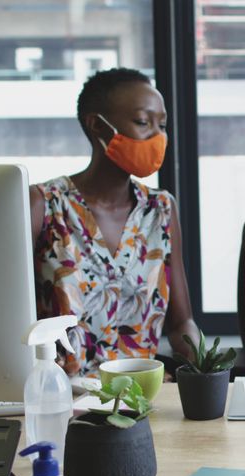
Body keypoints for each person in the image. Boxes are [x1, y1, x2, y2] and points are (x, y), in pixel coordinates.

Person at [30, 67, 198, 378]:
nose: (157, 136)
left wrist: (206, 370)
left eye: (162, 125)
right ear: (97, 125)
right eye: (142, 122)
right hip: (64, 400)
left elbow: (181, 323)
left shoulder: (161, 209)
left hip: (141, 398)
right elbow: (3, 315)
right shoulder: (43, 204)